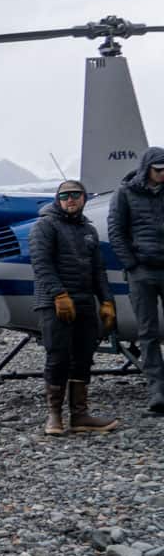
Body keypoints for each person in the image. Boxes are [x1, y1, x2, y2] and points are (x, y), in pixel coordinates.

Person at [30, 179, 119, 435]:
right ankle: (54, 416)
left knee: (83, 357)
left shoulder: (88, 231)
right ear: (58, 200)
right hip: (52, 303)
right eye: (65, 195)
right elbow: (41, 263)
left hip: (83, 302)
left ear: (84, 199)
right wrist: (58, 294)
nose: (70, 199)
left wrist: (106, 300)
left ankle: (80, 416)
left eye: (76, 195)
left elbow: (98, 270)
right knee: (57, 357)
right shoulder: (44, 226)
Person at [107, 146, 164, 416]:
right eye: (159, 170)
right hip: (142, 271)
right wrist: (132, 264)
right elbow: (116, 231)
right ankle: (157, 391)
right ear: (146, 169)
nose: (163, 174)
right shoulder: (125, 193)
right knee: (148, 332)